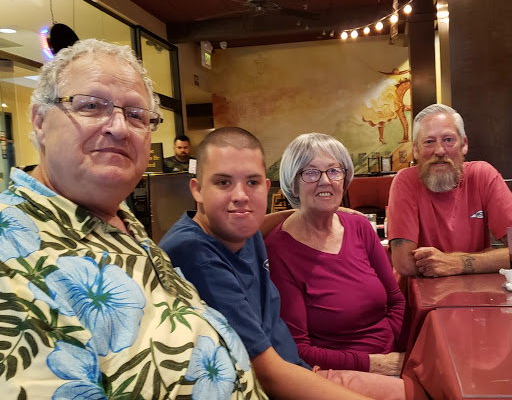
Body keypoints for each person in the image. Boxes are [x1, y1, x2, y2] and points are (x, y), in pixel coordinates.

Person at [0, 40, 266, 400]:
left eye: (137, 115)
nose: (120, 128)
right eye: (91, 106)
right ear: (40, 121)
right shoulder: (11, 253)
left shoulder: (117, 217)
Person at [160, 126, 395, 400]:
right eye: (223, 182)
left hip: (298, 368)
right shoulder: (196, 254)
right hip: (276, 383)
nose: (240, 196)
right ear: (198, 189)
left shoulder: (242, 227)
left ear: (266, 186)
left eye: (252, 182)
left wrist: (321, 210)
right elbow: (268, 375)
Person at [264, 134, 406, 385]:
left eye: (334, 170)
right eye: (311, 173)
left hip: (395, 358)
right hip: (338, 374)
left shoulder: (360, 226)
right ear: (292, 184)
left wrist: (398, 349)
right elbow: (298, 349)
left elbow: (396, 300)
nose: (325, 181)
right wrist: (374, 364)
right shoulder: (278, 250)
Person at [388, 103, 512, 277]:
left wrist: (457, 263)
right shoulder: (405, 181)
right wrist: (488, 260)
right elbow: (405, 264)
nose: (439, 151)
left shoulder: (483, 175)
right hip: (421, 291)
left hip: (477, 290)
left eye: (448, 140)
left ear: (464, 144)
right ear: (415, 149)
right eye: (429, 142)